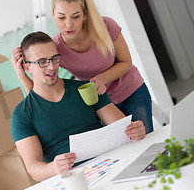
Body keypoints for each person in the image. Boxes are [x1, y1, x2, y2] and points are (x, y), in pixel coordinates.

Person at [11, 0, 153, 134]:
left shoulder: (106, 27)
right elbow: (42, 93)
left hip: (132, 92)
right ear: (53, 15)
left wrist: (100, 79)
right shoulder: (55, 48)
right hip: (100, 103)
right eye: (61, 17)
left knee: (146, 141)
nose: (69, 24)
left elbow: (126, 62)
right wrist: (22, 73)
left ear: (84, 14)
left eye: (75, 16)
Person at [10, 32, 146, 182]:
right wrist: (54, 168)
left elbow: (123, 129)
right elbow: (33, 169)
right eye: (42, 61)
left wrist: (135, 130)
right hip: (70, 179)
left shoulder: (86, 89)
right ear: (27, 67)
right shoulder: (21, 114)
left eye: (55, 58)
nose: (52, 66)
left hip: (109, 167)